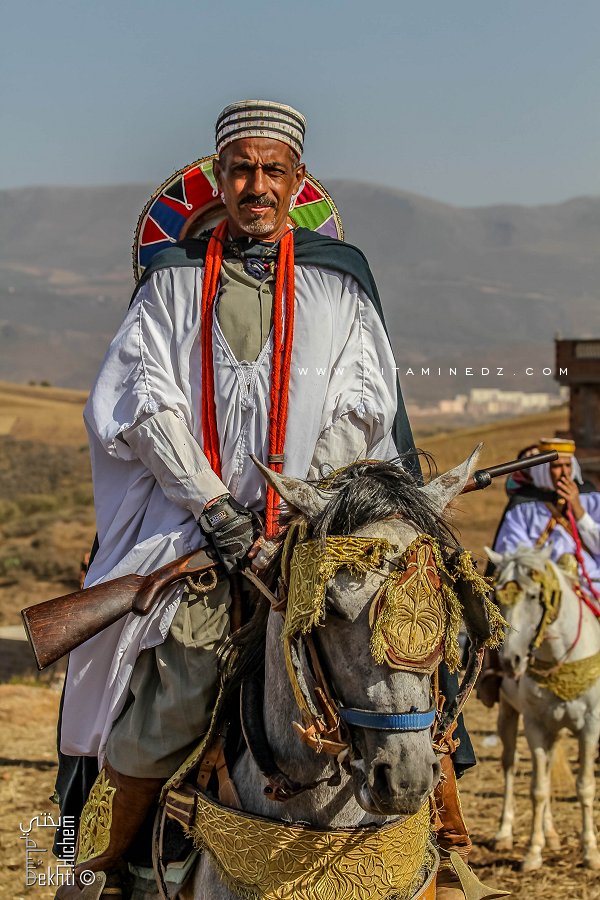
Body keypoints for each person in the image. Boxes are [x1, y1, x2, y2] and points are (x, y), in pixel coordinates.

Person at [54, 100, 474, 899]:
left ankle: (447, 846)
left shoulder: (338, 283)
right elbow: (144, 404)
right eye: (242, 170)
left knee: (406, 653)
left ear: (296, 181)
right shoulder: (171, 284)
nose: (257, 186)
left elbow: (363, 405)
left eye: (272, 171)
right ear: (219, 179)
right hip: (193, 535)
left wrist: (309, 507)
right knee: (179, 691)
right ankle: (102, 871)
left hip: (316, 528)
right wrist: (216, 510)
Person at [478, 437, 600, 708]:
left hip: (589, 583)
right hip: (539, 586)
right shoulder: (523, 507)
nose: (563, 473)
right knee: (508, 616)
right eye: (556, 467)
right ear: (545, 468)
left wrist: (579, 512)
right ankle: (495, 674)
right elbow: (511, 553)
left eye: (567, 466)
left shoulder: (592, 499)